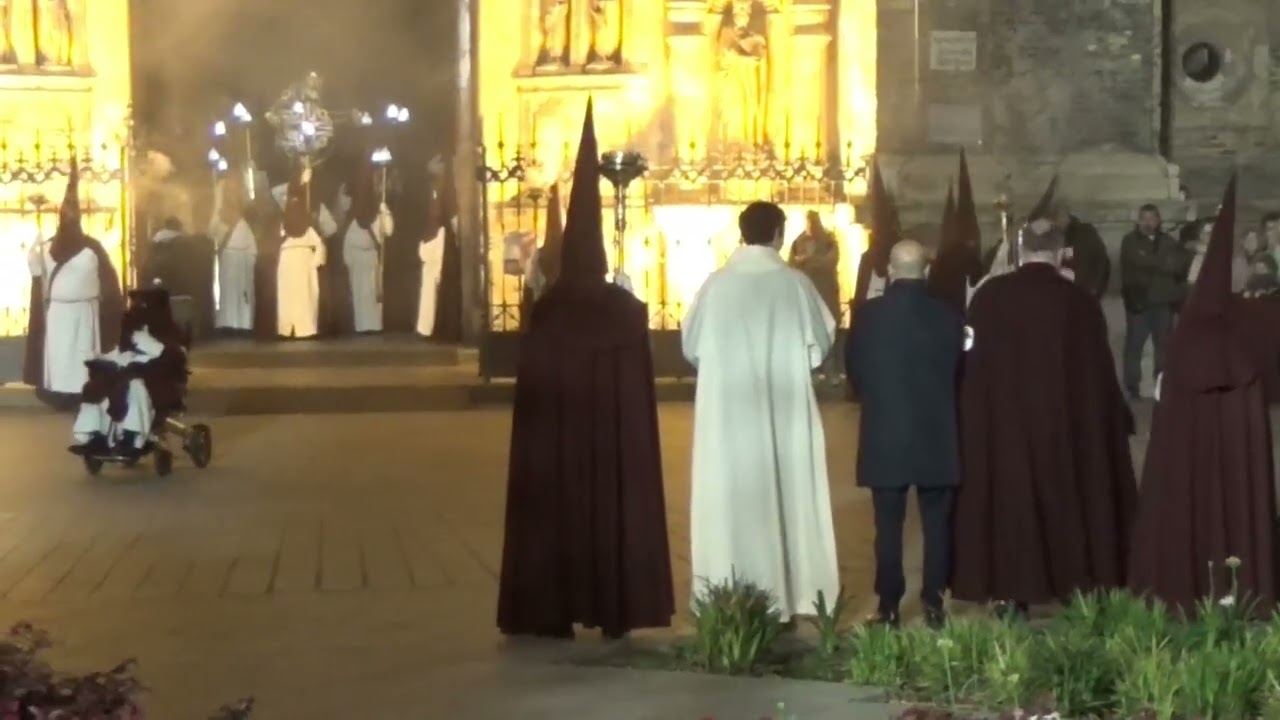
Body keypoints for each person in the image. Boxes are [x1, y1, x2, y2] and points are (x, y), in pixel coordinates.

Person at [498, 99, 674, 640]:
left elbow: (532, 397)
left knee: (557, 518)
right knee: (609, 514)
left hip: (556, 456)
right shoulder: (623, 311)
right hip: (608, 451)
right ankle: (615, 603)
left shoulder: (549, 312)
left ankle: (551, 605)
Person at [951, 218, 1137, 620]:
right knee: (1070, 503)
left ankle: (1011, 596)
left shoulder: (989, 298)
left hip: (1005, 427)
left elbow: (969, 363)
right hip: (1066, 428)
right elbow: (1098, 372)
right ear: (1060, 253)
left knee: (1010, 506)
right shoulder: (1079, 302)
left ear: (1020, 251)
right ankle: (1075, 588)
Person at [683, 200, 840, 622]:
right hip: (783, 410)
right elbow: (820, 344)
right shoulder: (794, 285)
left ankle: (727, 594)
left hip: (727, 417)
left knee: (729, 499)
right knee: (786, 493)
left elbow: (691, 346)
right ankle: (790, 595)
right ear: (777, 234)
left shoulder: (716, 286)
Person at [1128, 176, 1280, 613]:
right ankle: (1241, 587)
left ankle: (1188, 578)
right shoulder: (1245, 334)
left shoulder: (1190, 339)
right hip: (1233, 453)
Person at [846, 239, 963, 628]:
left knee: (888, 525)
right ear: (926, 271)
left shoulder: (867, 316)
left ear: (891, 271)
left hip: (886, 432)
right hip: (936, 432)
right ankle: (933, 602)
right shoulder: (948, 316)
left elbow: (855, 372)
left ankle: (889, 606)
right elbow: (960, 371)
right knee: (937, 523)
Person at [23, 161, 124, 408]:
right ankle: (60, 393)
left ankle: (81, 392)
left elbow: (108, 282)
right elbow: (39, 278)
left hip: (83, 312)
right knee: (62, 356)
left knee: (80, 356)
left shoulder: (91, 248)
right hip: (60, 312)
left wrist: (109, 306)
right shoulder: (47, 247)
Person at [68, 287, 187, 459]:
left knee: (134, 386)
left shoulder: (168, 331)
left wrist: (152, 346)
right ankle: (95, 436)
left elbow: (174, 357)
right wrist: (99, 357)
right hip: (126, 371)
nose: (136, 308)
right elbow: (122, 352)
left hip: (153, 378)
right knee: (99, 385)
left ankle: (133, 437)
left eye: (142, 304)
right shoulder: (131, 328)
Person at [1119, 204, 1189, 400]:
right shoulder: (1130, 241)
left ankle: (1162, 384)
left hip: (1163, 302)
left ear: (1158, 220)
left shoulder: (1168, 241)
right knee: (1134, 347)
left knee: (1164, 347)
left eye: (1152, 218)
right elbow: (1140, 262)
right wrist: (1163, 262)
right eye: (1144, 218)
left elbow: (1178, 264)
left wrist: (1162, 264)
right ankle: (1132, 386)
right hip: (1139, 302)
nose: (1148, 222)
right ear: (1138, 220)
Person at [341, 159, 394, 334]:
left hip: (371, 259)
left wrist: (385, 211)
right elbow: (347, 246)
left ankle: (375, 326)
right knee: (360, 296)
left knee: (373, 295)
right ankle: (362, 326)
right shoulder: (354, 223)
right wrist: (349, 262)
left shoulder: (377, 214)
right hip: (358, 263)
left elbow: (389, 231)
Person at [275, 178, 327, 338]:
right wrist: (299, 180)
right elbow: (277, 192)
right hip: (288, 264)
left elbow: (320, 245)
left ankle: (305, 328)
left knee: (305, 299)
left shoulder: (309, 227)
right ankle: (287, 327)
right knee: (287, 298)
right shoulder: (283, 227)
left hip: (304, 264)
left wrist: (314, 262)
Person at [209, 173, 257, 332]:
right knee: (229, 294)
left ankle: (243, 324)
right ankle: (228, 323)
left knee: (243, 294)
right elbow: (212, 231)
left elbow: (252, 249)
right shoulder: (221, 220)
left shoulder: (245, 224)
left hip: (242, 264)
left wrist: (250, 260)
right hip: (228, 261)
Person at [1050, 202, 1111, 299]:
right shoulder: (1052, 237)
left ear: (1067, 216)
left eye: (1060, 217)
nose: (1058, 222)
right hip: (1063, 295)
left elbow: (1102, 262)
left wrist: (1096, 289)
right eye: (1055, 219)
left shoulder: (1086, 233)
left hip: (1086, 291)